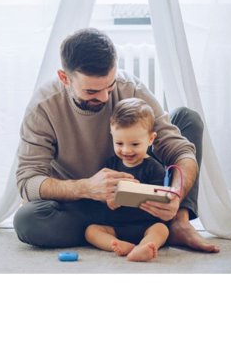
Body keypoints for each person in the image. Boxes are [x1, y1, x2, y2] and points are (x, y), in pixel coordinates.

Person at [14, 28, 219, 253]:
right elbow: (27, 181)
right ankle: (132, 230)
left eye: (109, 86)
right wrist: (87, 188)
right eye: (91, 91)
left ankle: (177, 221)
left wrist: (175, 195)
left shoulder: (131, 89)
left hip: (141, 199)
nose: (104, 97)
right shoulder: (43, 107)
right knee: (27, 221)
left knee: (188, 119)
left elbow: (179, 150)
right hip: (87, 205)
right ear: (65, 78)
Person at [85, 98, 172, 262]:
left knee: (161, 230)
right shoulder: (110, 165)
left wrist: (141, 194)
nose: (126, 150)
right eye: (119, 143)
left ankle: (144, 246)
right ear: (111, 136)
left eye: (134, 144)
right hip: (116, 225)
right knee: (91, 231)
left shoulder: (154, 168)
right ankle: (117, 244)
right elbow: (102, 192)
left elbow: (161, 199)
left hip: (146, 224)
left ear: (151, 139)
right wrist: (108, 200)